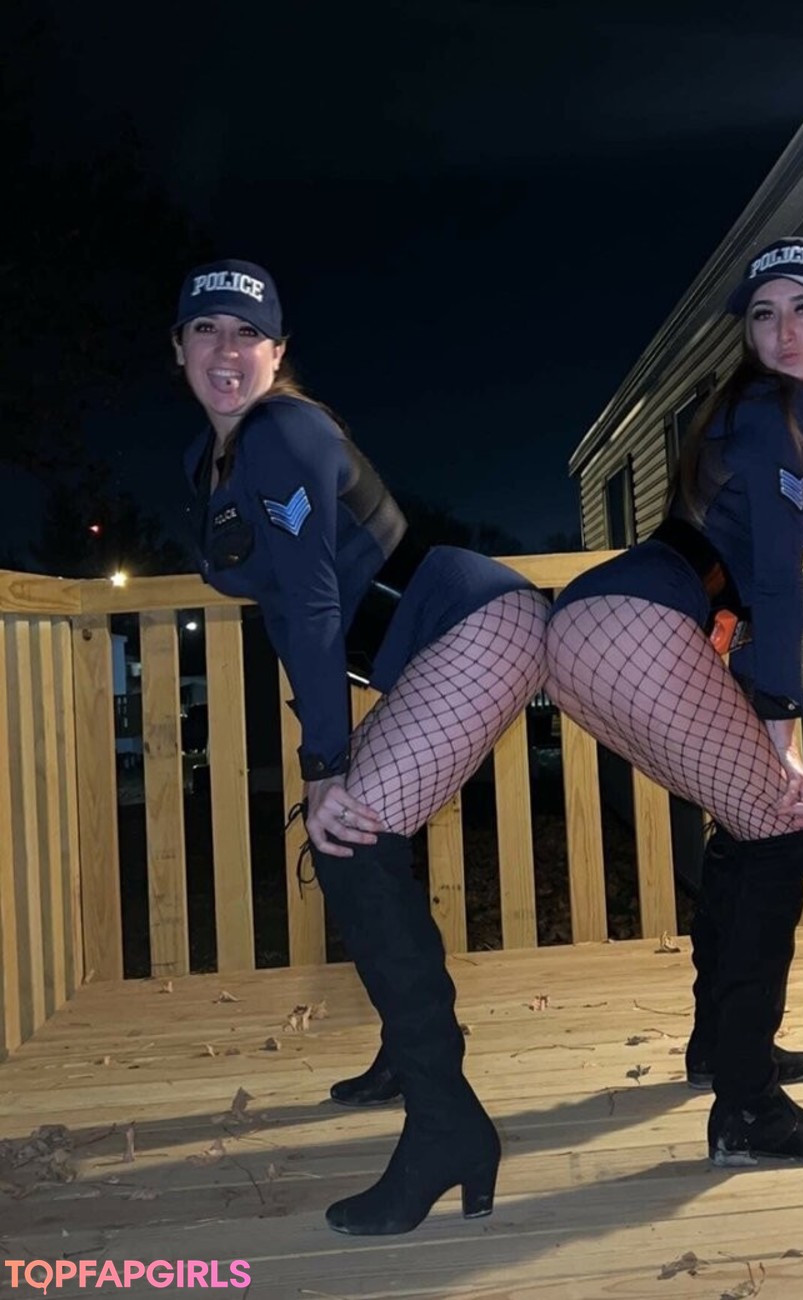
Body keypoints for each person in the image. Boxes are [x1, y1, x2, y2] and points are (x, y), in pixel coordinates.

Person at [176, 259, 549, 1233]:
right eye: (206, 329)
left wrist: (327, 763)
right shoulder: (210, 464)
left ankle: (447, 1123)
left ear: (277, 353)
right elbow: (287, 606)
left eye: (247, 333)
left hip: (475, 621)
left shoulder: (282, 431)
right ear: (179, 349)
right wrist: (331, 745)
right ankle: (407, 1055)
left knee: (347, 834)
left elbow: (310, 599)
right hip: (431, 648)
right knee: (361, 841)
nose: (226, 349)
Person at [544, 237, 803, 1165]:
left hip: (603, 626)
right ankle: (747, 1108)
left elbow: (746, 592)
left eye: (802, 309)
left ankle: (724, 1050)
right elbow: (774, 585)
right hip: (642, 620)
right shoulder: (783, 409)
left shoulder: (774, 414)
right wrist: (782, 729)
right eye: (764, 315)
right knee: (787, 827)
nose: (782, 331)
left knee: (751, 824)